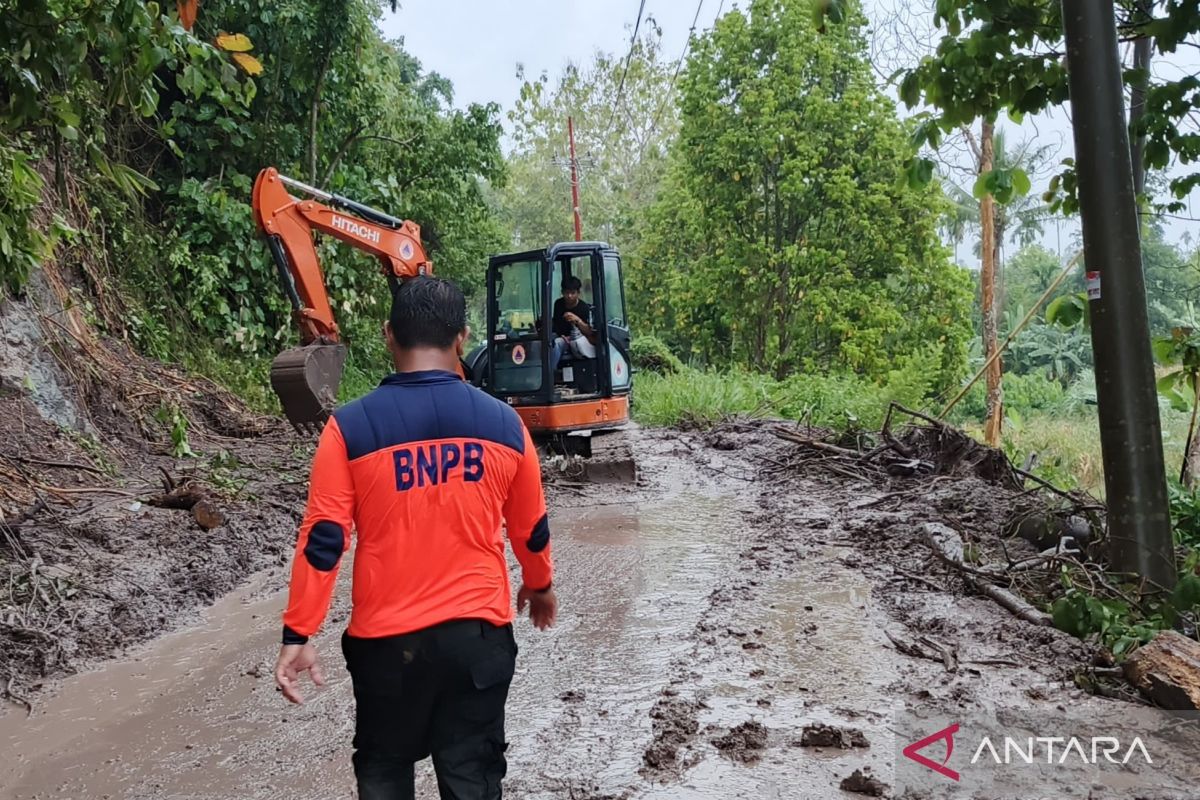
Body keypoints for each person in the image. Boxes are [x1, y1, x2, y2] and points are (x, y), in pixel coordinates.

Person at [273, 276, 558, 800]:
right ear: (462, 338)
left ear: (388, 336)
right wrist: (539, 587)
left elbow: (324, 538)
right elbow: (531, 528)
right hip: (476, 640)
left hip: (387, 648)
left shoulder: (349, 428)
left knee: (384, 769)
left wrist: (299, 633)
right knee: (471, 773)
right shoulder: (505, 425)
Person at [548, 275, 596, 376]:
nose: (569, 296)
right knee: (548, 341)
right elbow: (556, 324)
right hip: (561, 336)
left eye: (572, 293)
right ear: (562, 292)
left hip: (578, 340)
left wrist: (577, 320)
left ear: (578, 293)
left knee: (557, 343)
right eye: (566, 293)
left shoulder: (584, 308)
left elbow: (589, 331)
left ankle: (551, 374)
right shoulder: (558, 304)